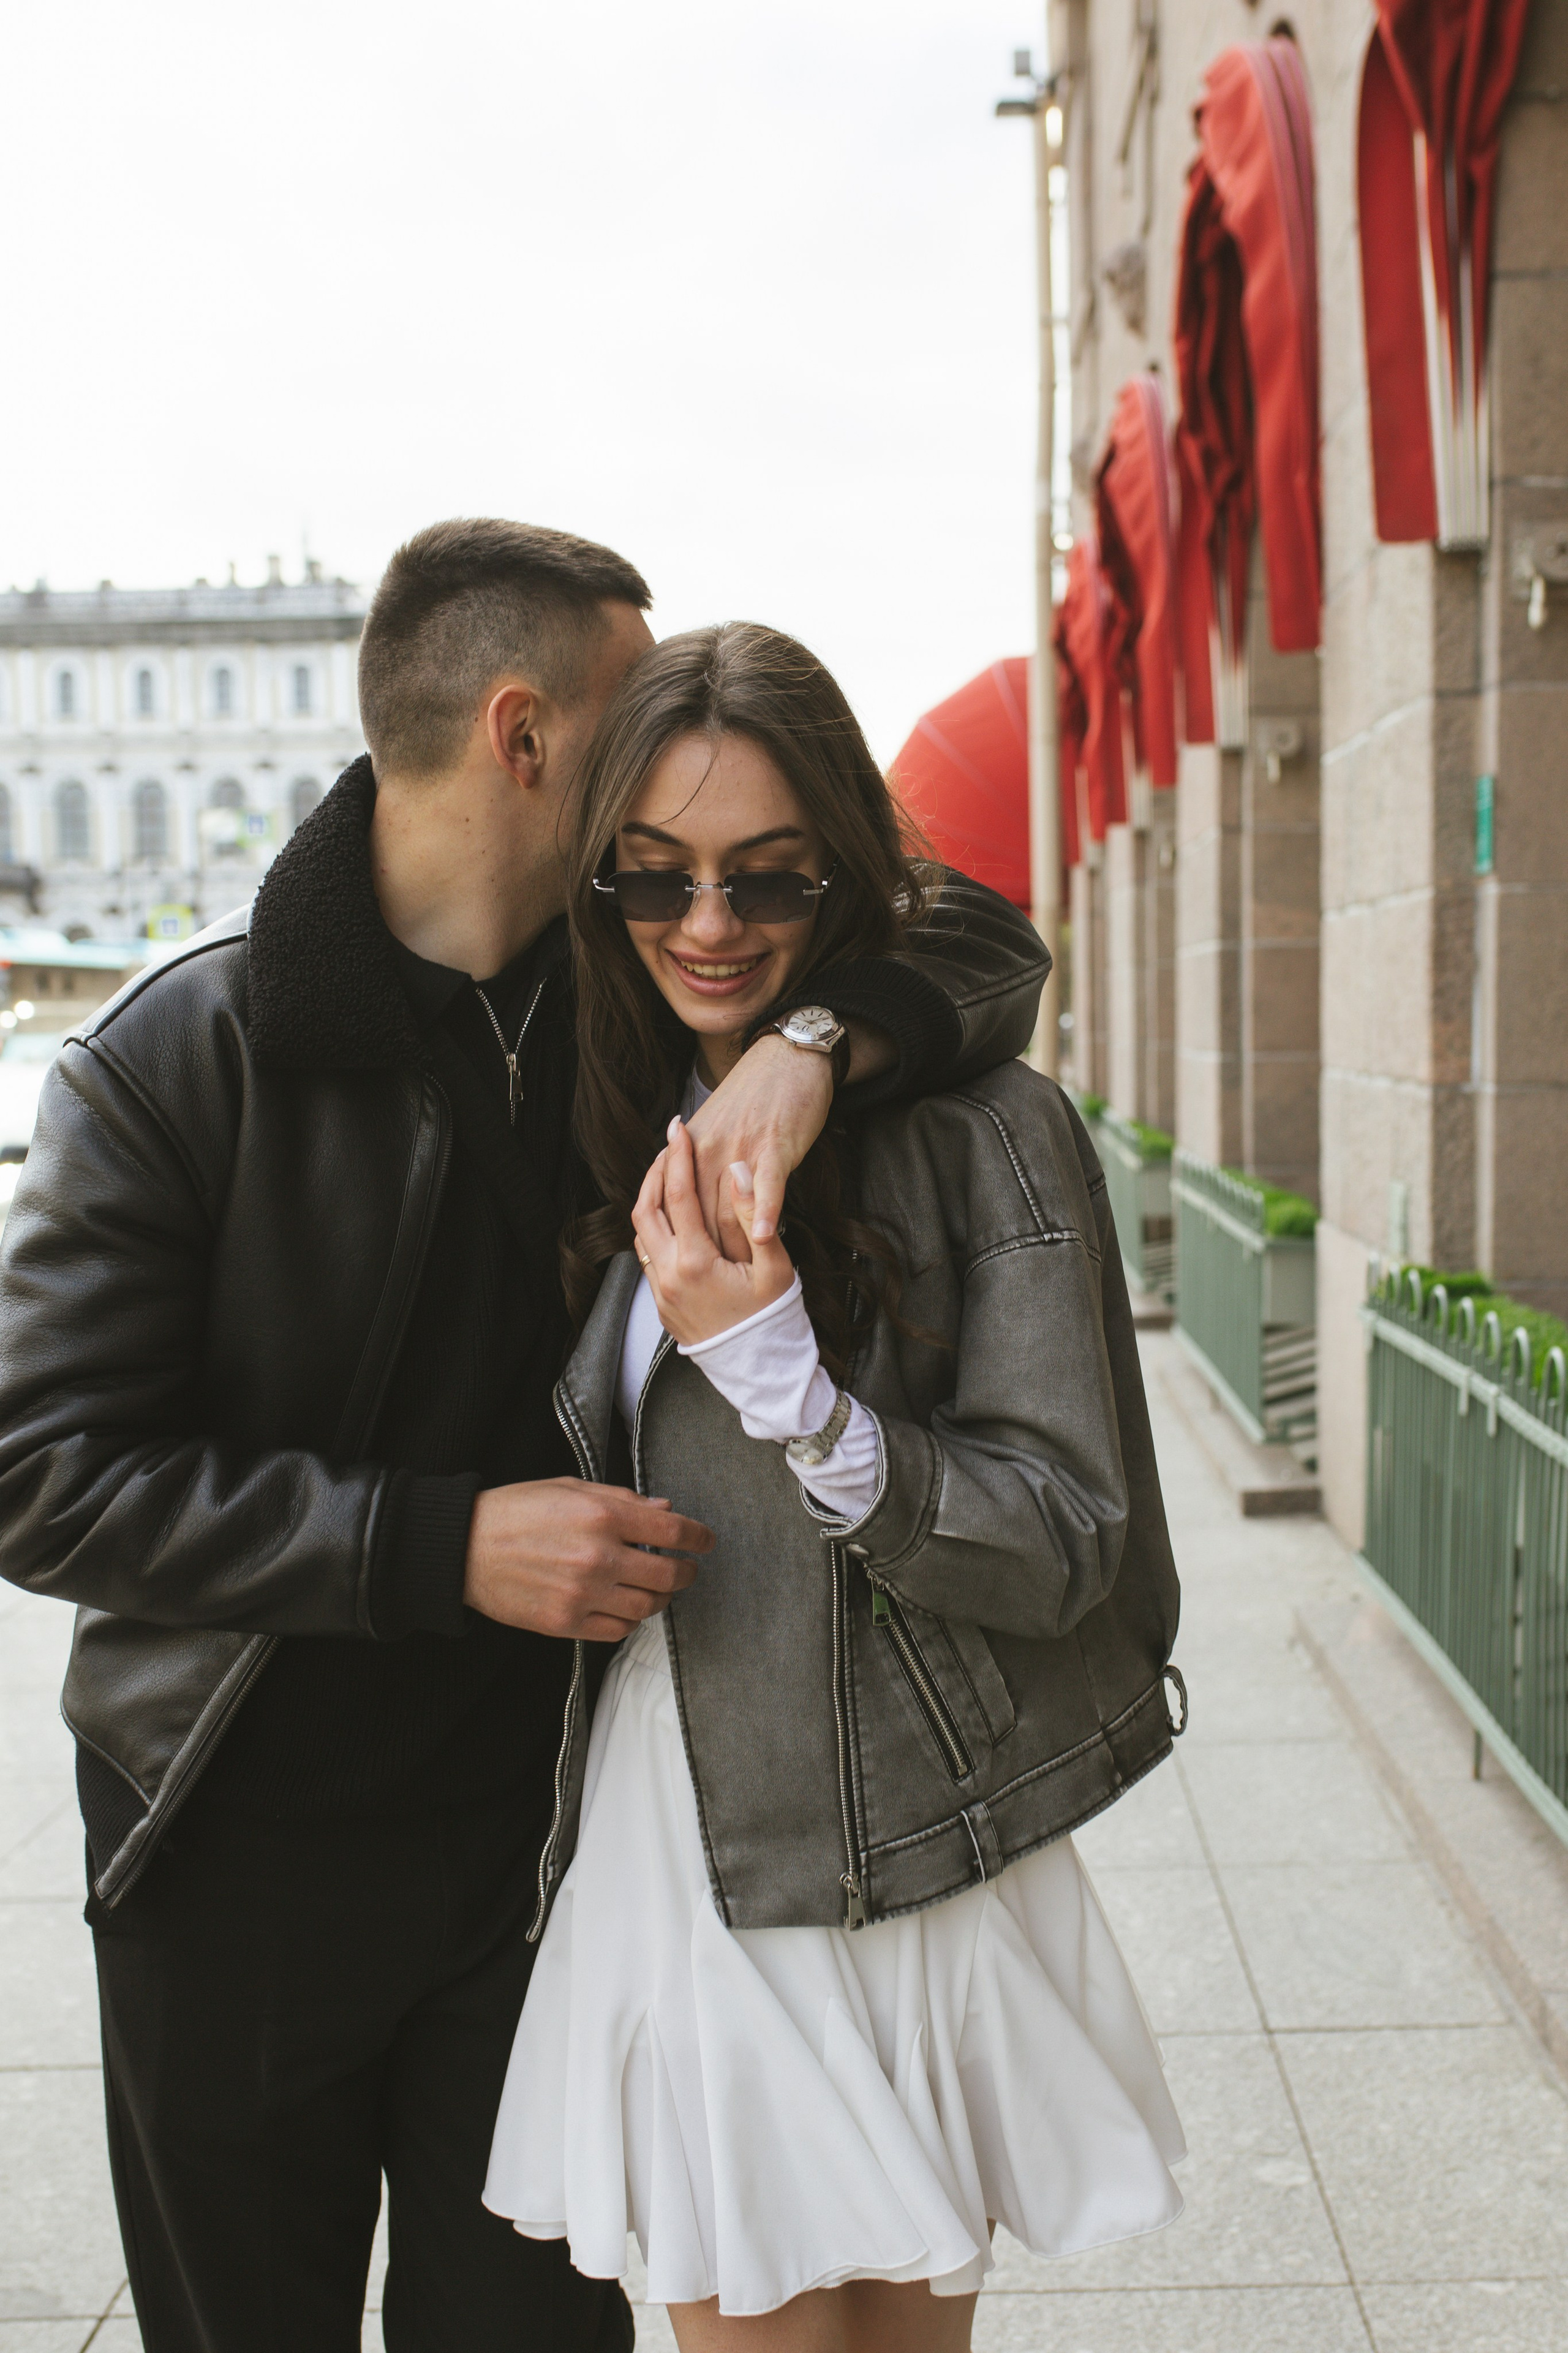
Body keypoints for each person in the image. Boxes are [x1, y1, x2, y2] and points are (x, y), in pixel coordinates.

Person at [0, 526, 1050, 2353]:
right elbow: (39, 1470)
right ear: (524, 737)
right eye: (628, 706)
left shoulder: (642, 1009)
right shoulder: (172, 1061)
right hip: (235, 1861)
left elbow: (962, 928)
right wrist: (441, 1542)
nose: (665, 757)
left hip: (543, 1867)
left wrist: (813, 1040)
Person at [483, 622, 1188, 2351]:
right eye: (655, 881)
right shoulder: (598, 1100)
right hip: (691, 1849)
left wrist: (801, 1394)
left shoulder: (987, 1130)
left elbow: (1067, 1539)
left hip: (909, 1838)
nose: (707, 926)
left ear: (842, 874)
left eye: (766, 877)